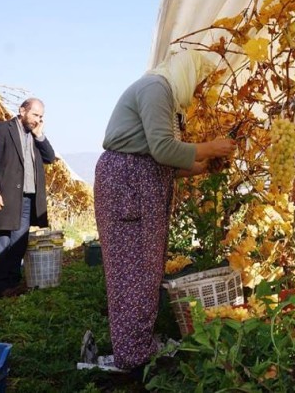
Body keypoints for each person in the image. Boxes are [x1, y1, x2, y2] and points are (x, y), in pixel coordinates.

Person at [94, 50, 235, 373]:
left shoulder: (165, 98)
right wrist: (210, 147)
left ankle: (139, 346)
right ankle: (133, 355)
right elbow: (162, 150)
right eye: (199, 83)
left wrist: (202, 167)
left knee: (144, 270)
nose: (199, 91)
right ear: (189, 73)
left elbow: (162, 162)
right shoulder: (157, 89)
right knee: (133, 270)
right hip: (129, 187)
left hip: (137, 183)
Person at [0, 98, 56, 299]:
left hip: (27, 199)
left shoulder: (34, 135)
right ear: (22, 110)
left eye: (41, 117)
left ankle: (12, 284)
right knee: (3, 241)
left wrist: (39, 135)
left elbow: (50, 157)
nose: (37, 119)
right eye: (35, 115)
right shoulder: (1, 129)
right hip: (5, 196)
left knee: (18, 243)